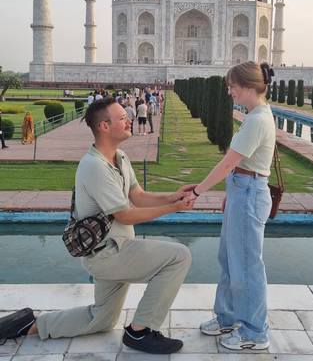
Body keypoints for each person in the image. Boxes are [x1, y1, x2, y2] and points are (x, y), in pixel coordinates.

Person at [0, 98, 195, 355]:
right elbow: (125, 215)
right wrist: (173, 209)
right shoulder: (94, 166)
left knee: (101, 320)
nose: (129, 119)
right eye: (122, 117)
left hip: (118, 248)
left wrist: (172, 196)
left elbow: (137, 195)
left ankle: (28, 325)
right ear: (104, 126)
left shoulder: (119, 157)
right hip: (108, 254)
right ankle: (140, 332)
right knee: (179, 256)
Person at [187, 62, 276, 351]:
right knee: (228, 260)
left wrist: (198, 191)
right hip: (242, 190)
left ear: (248, 86)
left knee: (247, 266)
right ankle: (227, 317)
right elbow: (239, 166)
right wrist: (231, 192)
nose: (229, 91)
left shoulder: (258, 119)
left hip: (249, 193)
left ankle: (254, 332)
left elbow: (228, 162)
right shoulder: (255, 115)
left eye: (232, 86)